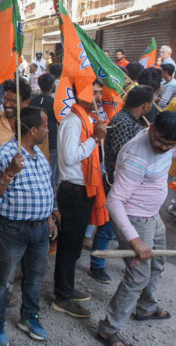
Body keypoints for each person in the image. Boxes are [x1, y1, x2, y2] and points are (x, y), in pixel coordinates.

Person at [96, 111, 176, 346]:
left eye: (170, 145)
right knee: (137, 276)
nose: (163, 148)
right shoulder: (136, 156)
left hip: (152, 216)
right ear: (151, 128)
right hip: (134, 219)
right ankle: (108, 330)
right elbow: (114, 201)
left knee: (157, 264)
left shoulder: (168, 143)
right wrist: (134, 239)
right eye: (160, 141)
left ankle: (145, 307)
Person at [0, 107, 58, 346]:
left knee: (35, 278)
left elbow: (46, 188)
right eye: (45, 126)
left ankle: (29, 318)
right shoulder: (4, 154)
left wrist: (48, 217)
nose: (48, 130)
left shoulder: (39, 154)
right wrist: (10, 172)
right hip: (12, 230)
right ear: (34, 130)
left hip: (39, 230)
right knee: (3, 280)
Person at [88, 85, 153, 285]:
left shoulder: (132, 121)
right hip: (119, 185)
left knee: (120, 229)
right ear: (146, 105)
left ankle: (129, 266)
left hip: (127, 186)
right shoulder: (124, 123)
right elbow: (122, 158)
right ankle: (96, 265)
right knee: (108, 228)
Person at [52, 81, 107, 318]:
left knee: (73, 247)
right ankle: (62, 296)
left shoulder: (85, 119)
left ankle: (66, 287)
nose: (98, 97)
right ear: (80, 94)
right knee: (69, 246)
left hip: (83, 190)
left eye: (99, 93)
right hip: (73, 191)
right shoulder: (73, 121)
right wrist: (95, 138)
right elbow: (72, 156)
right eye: (93, 92)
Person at [29, 74, 60, 189]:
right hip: (51, 143)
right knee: (50, 173)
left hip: (34, 143)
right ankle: (52, 201)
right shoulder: (55, 103)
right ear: (52, 86)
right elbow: (60, 122)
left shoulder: (33, 101)